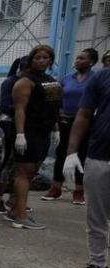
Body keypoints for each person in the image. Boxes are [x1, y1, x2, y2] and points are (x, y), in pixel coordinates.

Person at [64, 59, 110, 268]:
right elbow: (83, 114)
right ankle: (99, 265)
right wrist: (71, 152)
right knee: (96, 217)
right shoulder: (101, 78)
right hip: (100, 155)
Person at [10, 45, 61, 230]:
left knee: (32, 171)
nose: (41, 60)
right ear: (31, 60)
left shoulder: (51, 81)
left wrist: (55, 128)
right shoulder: (25, 81)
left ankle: (16, 209)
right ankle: (21, 216)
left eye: (45, 57)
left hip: (44, 131)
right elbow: (20, 109)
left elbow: (54, 107)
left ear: (50, 60)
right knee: (24, 171)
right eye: (37, 57)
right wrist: (20, 134)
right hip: (29, 131)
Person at [46, 48, 98, 204]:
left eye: (82, 58)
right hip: (65, 121)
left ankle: (78, 191)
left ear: (91, 62)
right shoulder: (67, 79)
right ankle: (56, 188)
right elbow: (57, 99)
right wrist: (58, 113)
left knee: (81, 155)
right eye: (77, 58)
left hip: (86, 122)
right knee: (62, 153)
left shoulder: (95, 79)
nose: (77, 61)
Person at [0, 57, 27, 215]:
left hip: (26, 128)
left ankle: (16, 199)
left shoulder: (32, 82)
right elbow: (6, 108)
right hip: (9, 126)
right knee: (8, 161)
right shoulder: (10, 83)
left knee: (22, 165)